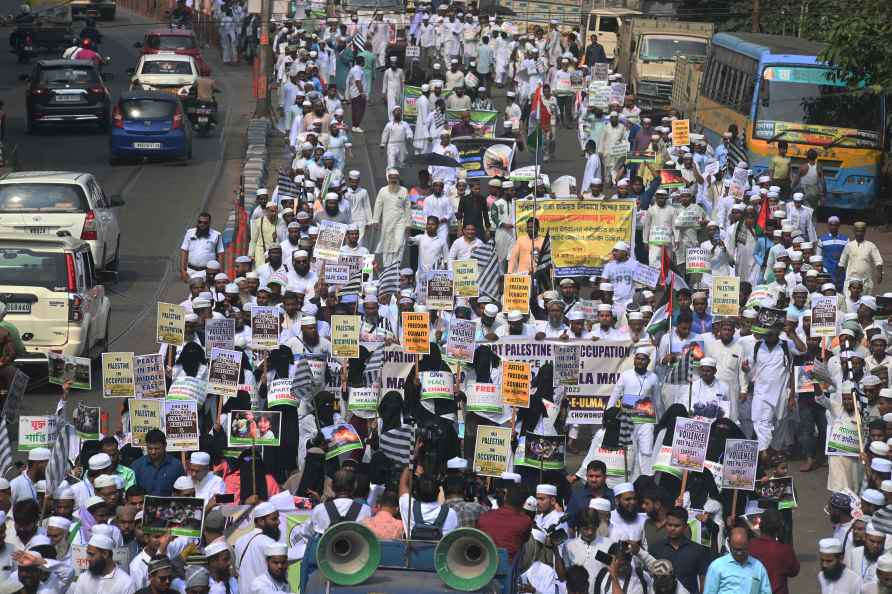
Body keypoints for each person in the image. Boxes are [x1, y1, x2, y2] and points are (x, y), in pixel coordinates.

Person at [702, 527, 771, 594]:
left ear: (749, 543)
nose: (739, 553)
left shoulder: (758, 567)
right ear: (729, 544)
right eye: (736, 549)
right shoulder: (717, 566)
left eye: (743, 549)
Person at [746, 509, 799, 594]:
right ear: (779, 528)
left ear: (759, 525)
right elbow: (794, 571)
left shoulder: (749, 546)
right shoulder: (785, 550)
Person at [70, 534, 135, 594]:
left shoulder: (126, 583)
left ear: (105, 554)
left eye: (91, 554)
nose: (87, 558)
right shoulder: (84, 578)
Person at [130, 430, 184, 497]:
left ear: (165, 446)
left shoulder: (176, 466)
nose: (153, 452)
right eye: (150, 449)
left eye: (157, 448)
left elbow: (182, 491)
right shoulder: (136, 466)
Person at [180, 213, 224, 283]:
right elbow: (184, 251)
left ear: (209, 223)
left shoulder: (216, 235)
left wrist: (220, 273)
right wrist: (182, 270)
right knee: (193, 292)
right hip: (190, 271)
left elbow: (220, 254)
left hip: (207, 272)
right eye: (199, 222)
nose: (202, 224)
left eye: (205, 223)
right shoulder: (189, 233)